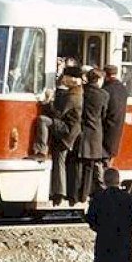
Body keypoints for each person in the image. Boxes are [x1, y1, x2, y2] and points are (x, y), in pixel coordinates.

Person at [31, 66, 84, 205]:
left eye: (65, 76)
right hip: (69, 132)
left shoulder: (73, 96)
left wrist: (48, 101)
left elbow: (58, 114)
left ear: (73, 79)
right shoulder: (76, 93)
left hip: (66, 131)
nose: (63, 79)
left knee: (42, 120)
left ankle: (41, 149)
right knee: (59, 160)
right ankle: (59, 193)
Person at [85, 168, 132, 262]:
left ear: (104, 181)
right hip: (123, 243)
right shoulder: (128, 198)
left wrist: (100, 229)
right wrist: (126, 230)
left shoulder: (98, 198)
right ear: (119, 181)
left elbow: (90, 219)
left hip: (104, 243)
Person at [79, 68, 109, 200]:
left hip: (81, 130)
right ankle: (88, 193)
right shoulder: (103, 95)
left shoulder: (82, 91)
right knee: (91, 165)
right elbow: (104, 114)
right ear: (98, 80)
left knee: (79, 164)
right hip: (96, 132)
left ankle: (80, 193)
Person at [101, 65, 128, 167]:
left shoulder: (106, 89)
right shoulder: (122, 88)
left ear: (105, 75)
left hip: (106, 127)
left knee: (103, 158)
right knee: (110, 156)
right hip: (118, 126)